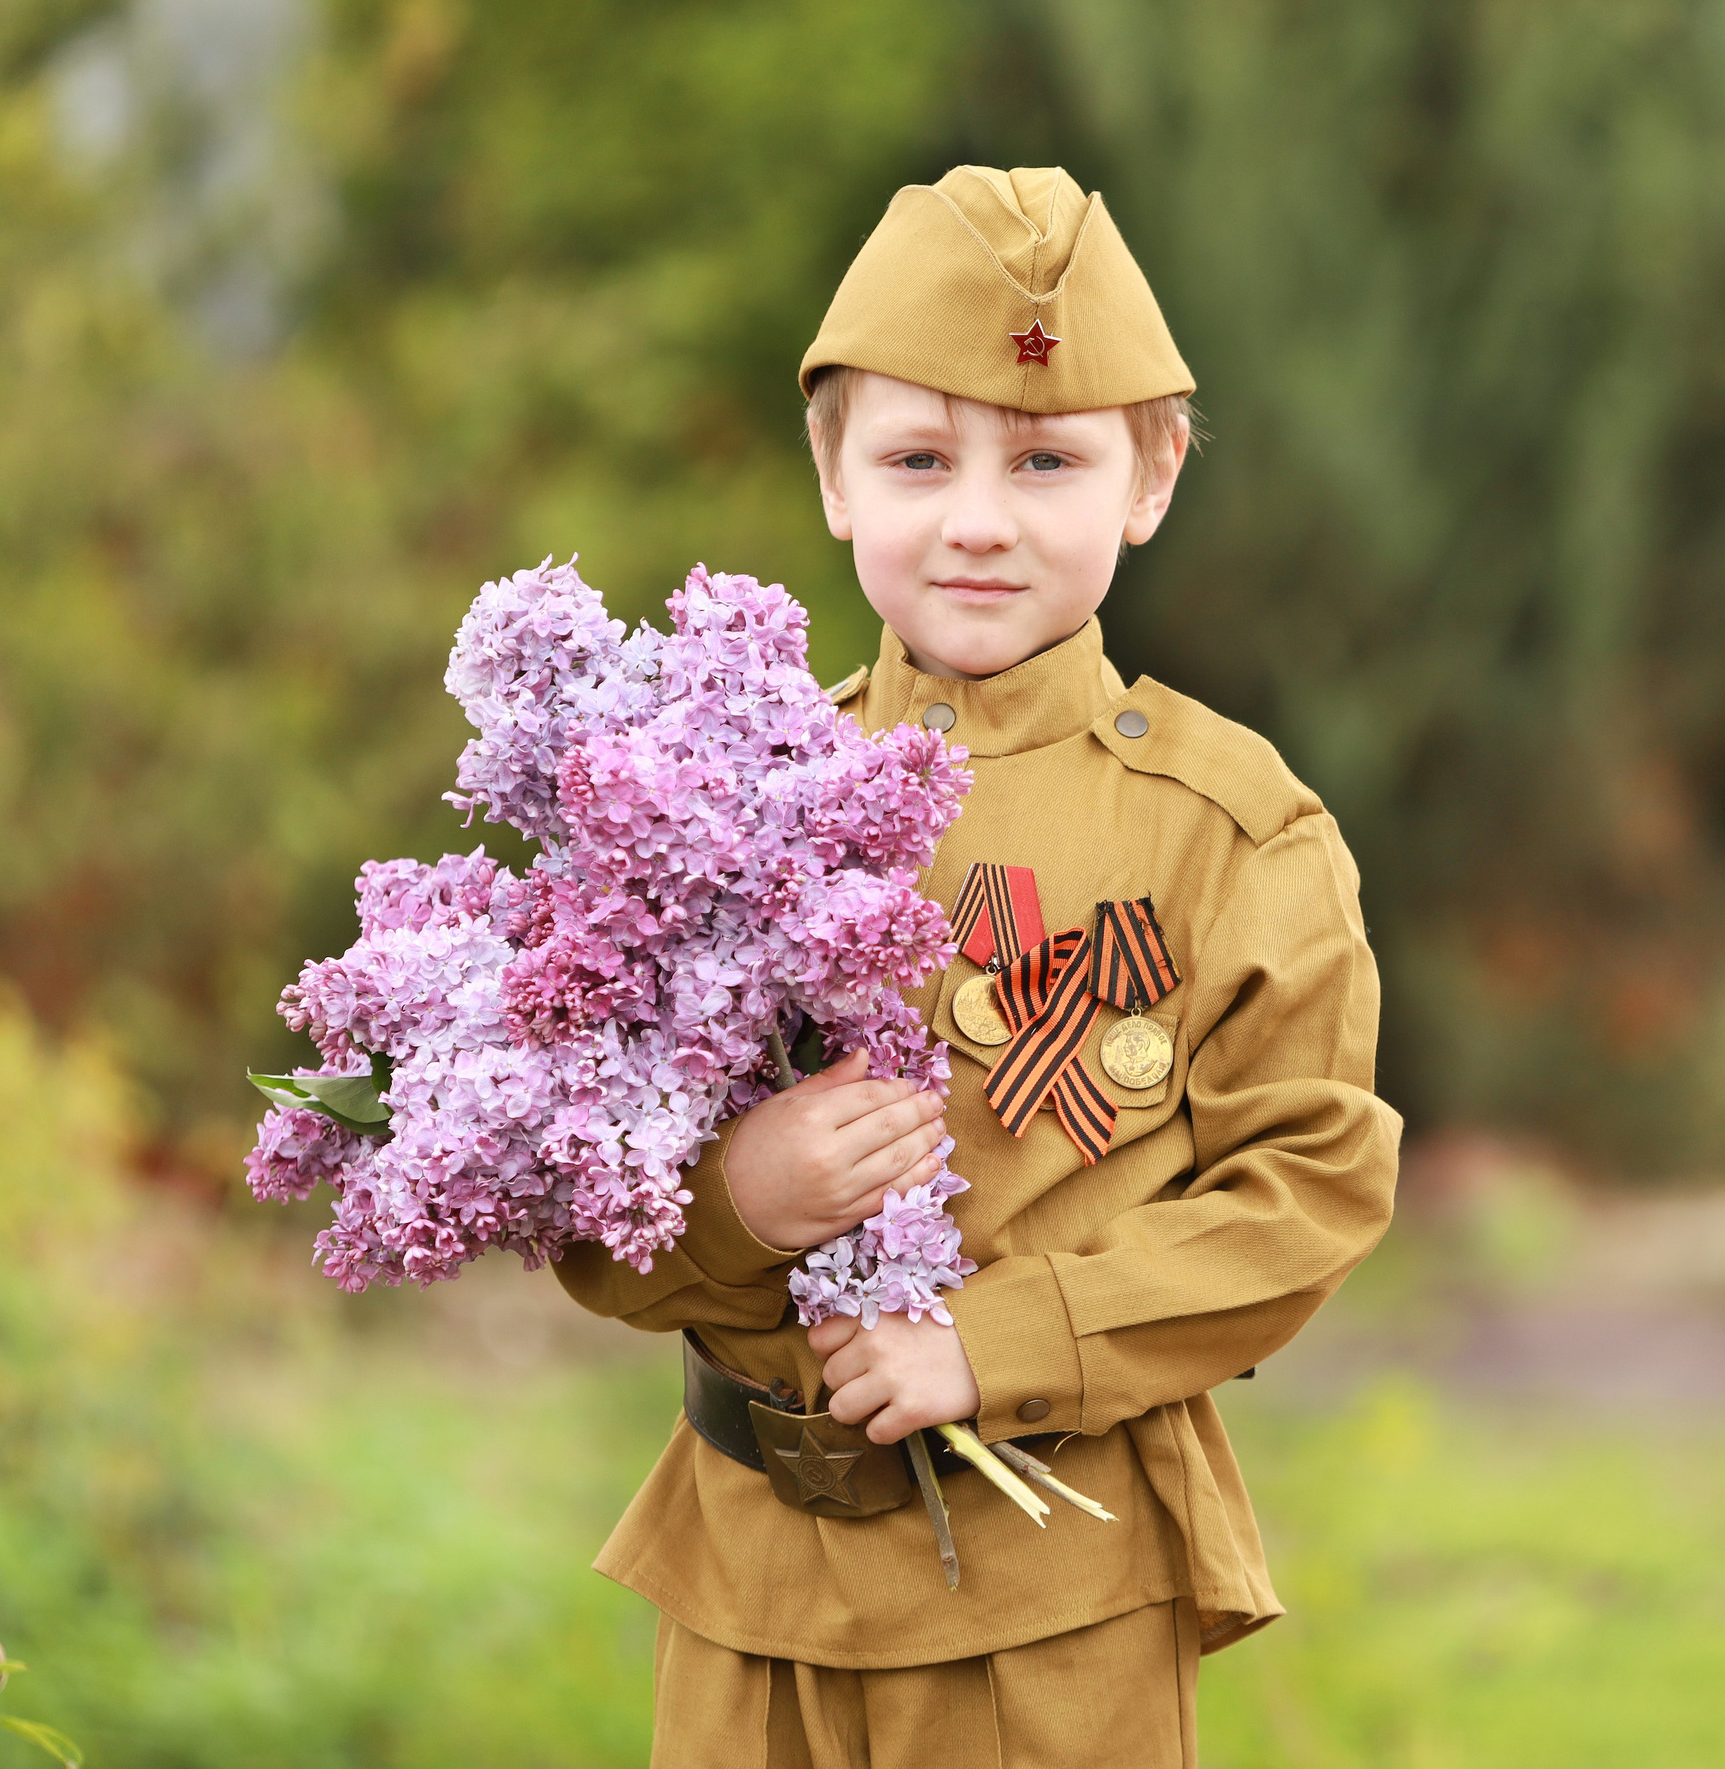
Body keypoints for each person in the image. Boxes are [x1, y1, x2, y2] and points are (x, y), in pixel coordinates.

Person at [554, 164, 1400, 1769]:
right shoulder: (712, 799)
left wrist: (998, 1348)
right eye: (920, 457)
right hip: (745, 1582)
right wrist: (744, 1199)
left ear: (1149, 479)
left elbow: (1312, 1188)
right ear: (834, 479)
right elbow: (592, 1222)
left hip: (1054, 1590)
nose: (980, 518)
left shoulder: (1233, 832)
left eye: (1049, 458)